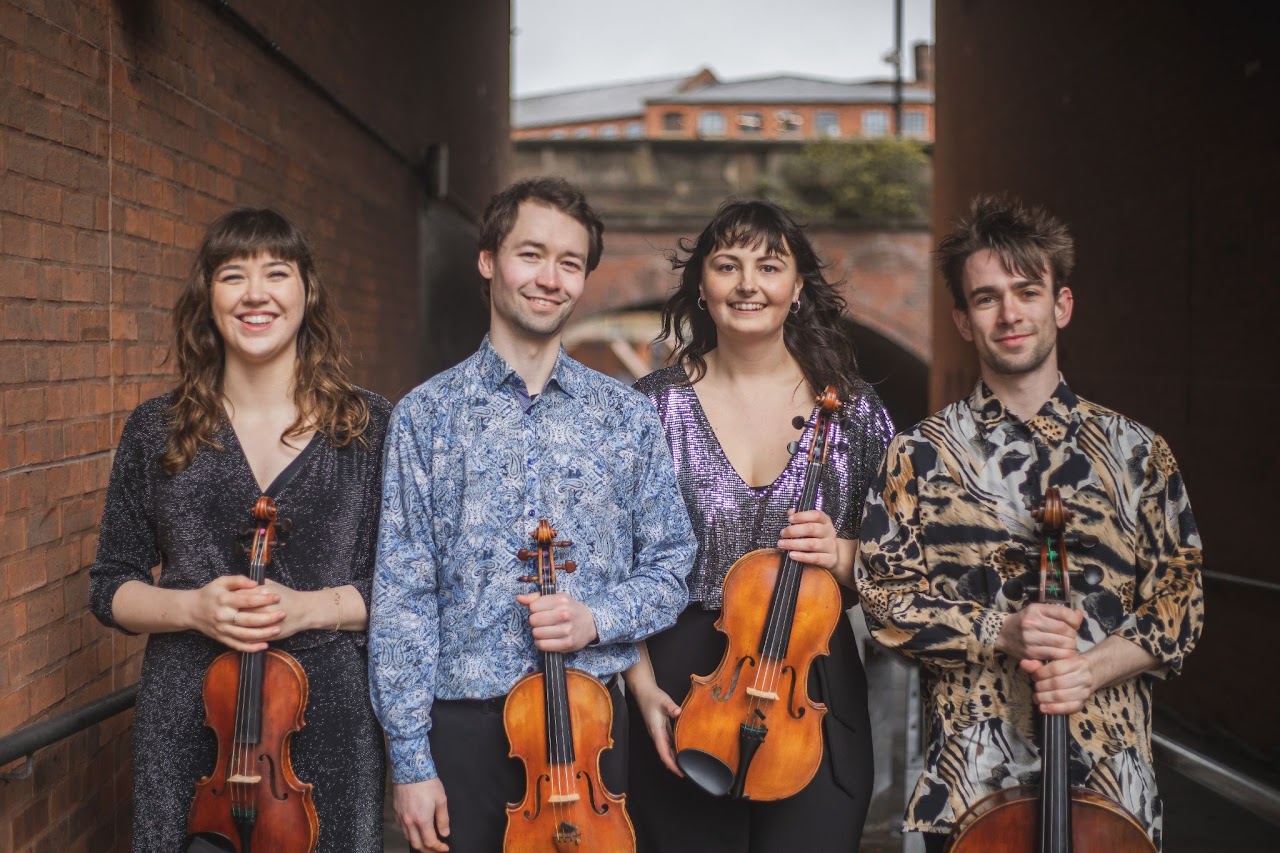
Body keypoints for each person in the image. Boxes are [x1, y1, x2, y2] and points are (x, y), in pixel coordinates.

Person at [855, 195, 1205, 851]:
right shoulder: (920, 454)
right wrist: (1001, 629)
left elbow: (1180, 602)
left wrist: (1092, 667)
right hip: (970, 789)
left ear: (1061, 304)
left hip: (1111, 791)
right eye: (986, 298)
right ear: (961, 318)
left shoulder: (1136, 452)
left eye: (1027, 291)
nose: (1010, 313)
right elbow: (883, 596)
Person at [369, 176, 696, 853]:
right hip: (461, 725)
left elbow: (672, 563)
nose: (550, 278)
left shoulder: (625, 417)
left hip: (588, 724)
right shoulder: (424, 417)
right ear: (488, 260)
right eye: (531, 254)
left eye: (570, 263)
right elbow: (402, 594)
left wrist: (595, 617)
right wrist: (409, 759)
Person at [89, 208, 391, 852]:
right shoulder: (156, 429)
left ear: (307, 293)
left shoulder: (369, 428)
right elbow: (110, 586)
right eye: (233, 276)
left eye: (276, 273)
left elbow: (409, 588)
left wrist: (312, 607)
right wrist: (193, 607)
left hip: (328, 727)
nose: (256, 294)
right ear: (209, 296)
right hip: (187, 730)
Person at [623, 199, 893, 852]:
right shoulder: (649, 406)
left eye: (769, 266)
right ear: (702, 287)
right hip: (679, 686)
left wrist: (844, 551)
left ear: (796, 288)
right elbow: (609, 563)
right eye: (727, 265)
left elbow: (908, 569)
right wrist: (640, 688)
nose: (748, 284)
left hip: (812, 685)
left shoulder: (855, 413)